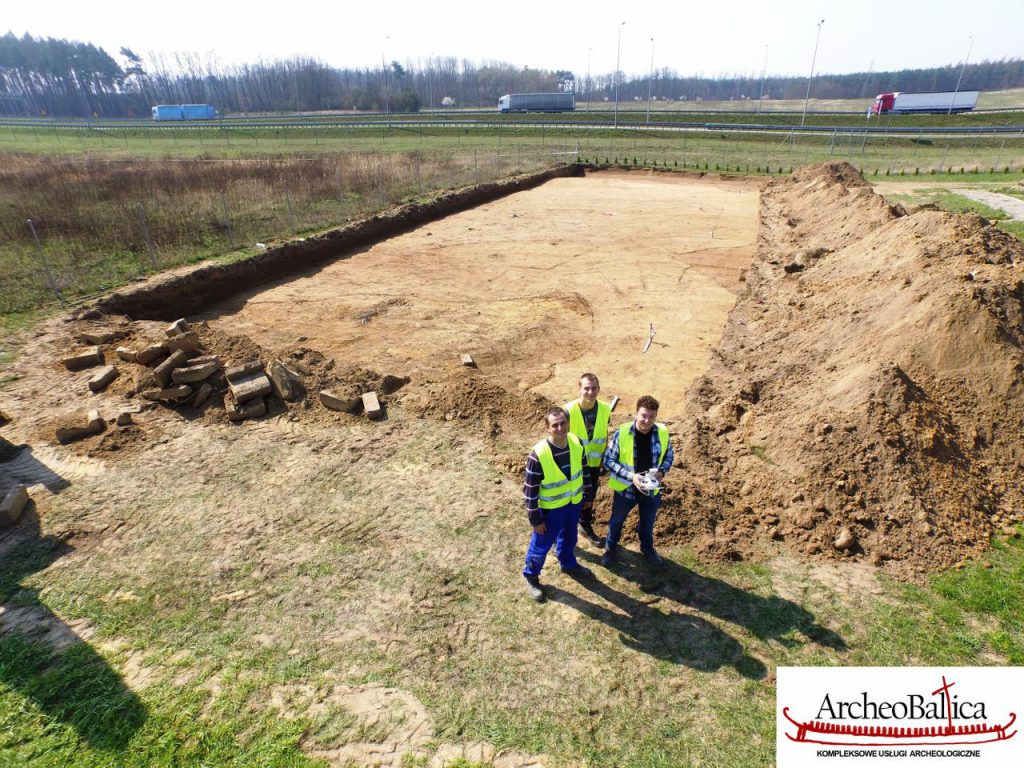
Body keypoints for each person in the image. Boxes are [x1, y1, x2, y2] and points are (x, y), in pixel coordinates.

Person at [522, 407, 593, 602]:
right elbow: (530, 491)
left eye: (563, 423)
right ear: (548, 428)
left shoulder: (576, 442)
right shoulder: (538, 454)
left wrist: (587, 495)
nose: (560, 428)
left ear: (568, 423)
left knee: (570, 537)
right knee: (541, 545)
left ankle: (568, 563)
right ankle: (531, 576)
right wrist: (536, 520)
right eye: (555, 425)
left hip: (573, 504)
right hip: (551, 510)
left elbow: (584, 470)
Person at [600, 395, 674, 567]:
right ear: (636, 413)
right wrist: (631, 477)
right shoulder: (622, 433)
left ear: (656, 415)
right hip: (626, 488)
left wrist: (662, 472)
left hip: (651, 488)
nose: (647, 420)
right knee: (617, 521)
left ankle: (647, 548)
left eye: (651, 416)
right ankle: (610, 548)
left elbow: (669, 456)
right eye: (643, 415)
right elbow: (608, 460)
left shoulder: (662, 433)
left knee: (648, 522)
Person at [564, 373, 612, 547]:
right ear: (579, 389)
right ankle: (563, 532)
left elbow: (603, 433)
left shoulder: (605, 409)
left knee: (588, 495)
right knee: (568, 497)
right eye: (586, 388)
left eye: (594, 388)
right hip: (573, 463)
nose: (590, 392)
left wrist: (603, 458)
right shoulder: (568, 411)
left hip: (593, 463)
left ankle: (584, 525)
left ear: (599, 389)